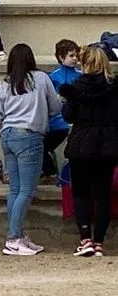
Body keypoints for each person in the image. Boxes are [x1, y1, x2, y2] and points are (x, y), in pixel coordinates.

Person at [0, 43, 62, 257]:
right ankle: (13, 237)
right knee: (27, 190)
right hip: (30, 135)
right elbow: (56, 107)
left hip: (7, 134)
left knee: (15, 189)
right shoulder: (41, 78)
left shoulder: (3, 84)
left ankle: (17, 235)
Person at [60, 45, 118, 258]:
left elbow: (68, 116)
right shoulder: (113, 88)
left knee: (80, 193)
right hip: (107, 143)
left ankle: (85, 239)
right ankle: (99, 241)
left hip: (81, 143)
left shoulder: (75, 87)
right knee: (103, 195)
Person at [45, 39, 80, 179]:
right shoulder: (53, 77)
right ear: (61, 57)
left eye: (76, 55)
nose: (75, 58)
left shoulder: (80, 75)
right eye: (71, 55)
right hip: (56, 121)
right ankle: (49, 172)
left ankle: (51, 172)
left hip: (72, 121)